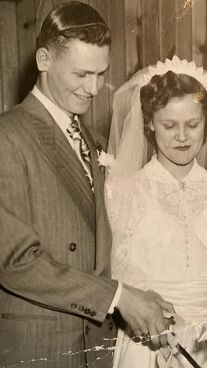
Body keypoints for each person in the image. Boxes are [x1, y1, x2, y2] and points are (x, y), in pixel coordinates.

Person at [0, 2, 173, 367]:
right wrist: (119, 297)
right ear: (44, 60)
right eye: (81, 74)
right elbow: (14, 261)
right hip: (40, 347)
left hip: (94, 345)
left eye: (100, 74)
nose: (93, 88)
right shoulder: (8, 136)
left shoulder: (92, 139)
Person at [105, 57, 207, 367]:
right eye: (169, 125)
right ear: (149, 123)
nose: (182, 136)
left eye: (193, 124)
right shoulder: (123, 191)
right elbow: (117, 273)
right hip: (149, 343)